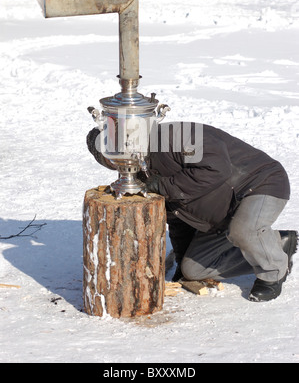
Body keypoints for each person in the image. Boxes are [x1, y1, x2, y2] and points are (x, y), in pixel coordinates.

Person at [86, 121, 297, 302]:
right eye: (113, 164)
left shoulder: (175, 137)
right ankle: (275, 245)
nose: (120, 166)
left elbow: (216, 169)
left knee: (243, 231)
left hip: (258, 184)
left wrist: (162, 186)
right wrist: (181, 258)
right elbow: (177, 217)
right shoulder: (142, 170)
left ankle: (273, 271)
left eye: (117, 158)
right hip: (221, 215)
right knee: (193, 271)